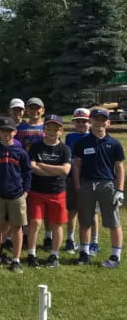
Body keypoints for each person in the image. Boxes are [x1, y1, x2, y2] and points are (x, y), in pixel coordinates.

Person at [72, 108, 125, 268]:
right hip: (87, 184)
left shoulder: (114, 144)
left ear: (108, 122)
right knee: (85, 221)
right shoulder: (82, 143)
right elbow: (77, 165)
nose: (99, 123)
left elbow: (120, 168)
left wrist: (120, 190)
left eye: (103, 119)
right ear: (91, 121)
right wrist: (77, 184)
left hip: (107, 185)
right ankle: (84, 253)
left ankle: (115, 256)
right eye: (96, 119)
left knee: (113, 222)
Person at [0, 116, 32, 273]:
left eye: (10, 131)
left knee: (17, 227)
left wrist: (25, 191)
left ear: (15, 132)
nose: (7, 134)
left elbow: (27, 173)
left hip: (17, 194)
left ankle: (16, 259)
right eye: (3, 131)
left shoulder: (21, 152)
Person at [25, 115, 71, 268]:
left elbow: (65, 170)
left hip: (57, 192)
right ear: (44, 129)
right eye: (48, 128)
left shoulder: (64, 149)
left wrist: (42, 165)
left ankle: (54, 255)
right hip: (37, 191)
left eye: (55, 129)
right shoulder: (36, 146)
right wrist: (53, 170)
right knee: (35, 222)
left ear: (61, 131)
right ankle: (31, 254)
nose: (52, 132)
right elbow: (32, 167)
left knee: (56, 224)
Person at [64, 108, 92, 253]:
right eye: (78, 121)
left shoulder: (94, 136)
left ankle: (94, 241)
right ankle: (70, 239)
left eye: (84, 121)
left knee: (91, 211)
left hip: (90, 177)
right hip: (71, 177)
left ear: (90, 122)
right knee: (72, 209)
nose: (81, 124)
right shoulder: (70, 137)